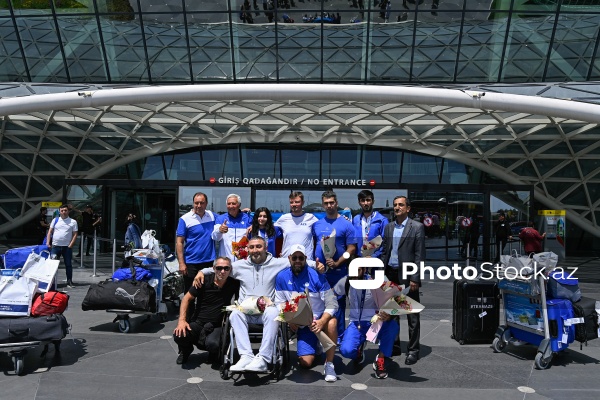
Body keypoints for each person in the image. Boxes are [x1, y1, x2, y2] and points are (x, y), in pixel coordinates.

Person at [193, 236, 324, 373]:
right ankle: (246, 356)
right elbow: (220, 268)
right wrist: (201, 271)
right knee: (235, 314)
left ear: (265, 247)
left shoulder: (277, 263)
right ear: (248, 249)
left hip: (266, 312)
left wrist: (317, 265)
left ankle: (263, 358)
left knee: (274, 312)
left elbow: (298, 260)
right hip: (247, 311)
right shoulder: (239, 265)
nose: (255, 250)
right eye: (252, 247)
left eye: (258, 247)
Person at [275, 244, 338, 382]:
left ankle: (330, 364)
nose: (298, 260)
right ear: (289, 258)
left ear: (305, 258)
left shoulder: (317, 276)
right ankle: (316, 345)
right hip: (298, 323)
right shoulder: (281, 277)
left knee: (332, 322)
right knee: (305, 363)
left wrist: (322, 321)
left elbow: (332, 303)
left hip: (317, 321)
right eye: (295, 257)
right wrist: (288, 319)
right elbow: (278, 303)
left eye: (301, 258)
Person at [380, 195, 425, 365]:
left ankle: (413, 350)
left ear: (408, 208)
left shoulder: (417, 227)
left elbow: (419, 255)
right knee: (393, 313)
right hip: (390, 275)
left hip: (407, 277)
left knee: (411, 315)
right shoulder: (389, 227)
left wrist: (415, 278)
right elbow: (385, 250)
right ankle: (396, 345)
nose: (397, 207)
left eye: (401, 205)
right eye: (395, 205)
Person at [173, 257, 239, 366]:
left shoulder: (233, 283)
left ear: (230, 269)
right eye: (219, 268)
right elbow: (186, 299)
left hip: (217, 325)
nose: (222, 271)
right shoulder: (203, 280)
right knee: (179, 335)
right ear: (213, 268)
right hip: (198, 322)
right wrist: (182, 321)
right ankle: (186, 350)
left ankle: (214, 352)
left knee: (213, 344)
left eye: (226, 268)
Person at [339, 267, 399, 379]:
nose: (355, 273)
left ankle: (380, 359)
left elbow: (397, 295)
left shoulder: (376, 280)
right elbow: (330, 294)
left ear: (364, 269)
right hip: (357, 324)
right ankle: (358, 352)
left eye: (358, 269)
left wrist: (389, 313)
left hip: (376, 322)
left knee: (392, 327)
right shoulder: (345, 281)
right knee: (346, 350)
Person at [312, 190, 357, 339]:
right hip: (320, 273)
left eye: (332, 202)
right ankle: (323, 335)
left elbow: (351, 248)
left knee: (338, 305)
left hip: (339, 273)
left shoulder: (346, 224)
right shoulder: (317, 224)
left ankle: (340, 337)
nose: (329, 205)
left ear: (336, 203)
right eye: (326, 203)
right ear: (323, 205)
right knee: (319, 304)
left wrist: (338, 262)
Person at [176, 192, 218, 300]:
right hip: (191, 263)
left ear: (206, 204)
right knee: (190, 294)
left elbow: (227, 218)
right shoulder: (185, 219)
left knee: (205, 294)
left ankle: (199, 317)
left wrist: (245, 213)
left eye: (202, 203)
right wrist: (181, 263)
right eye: (196, 203)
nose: (199, 205)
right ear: (193, 203)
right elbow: (179, 242)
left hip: (208, 262)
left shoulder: (212, 216)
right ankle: (187, 317)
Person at [274, 191, 318, 260]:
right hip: (287, 261)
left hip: (307, 261)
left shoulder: (311, 218)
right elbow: (268, 229)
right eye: (291, 202)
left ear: (303, 203)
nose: (294, 204)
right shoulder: (283, 218)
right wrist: (255, 225)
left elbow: (323, 229)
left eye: (297, 202)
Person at [212, 194, 252, 262]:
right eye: (228, 204)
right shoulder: (220, 218)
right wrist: (219, 230)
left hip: (244, 262)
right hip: (226, 262)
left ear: (239, 205)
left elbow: (263, 222)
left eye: (233, 204)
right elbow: (215, 237)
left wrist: (254, 225)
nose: (231, 206)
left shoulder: (248, 218)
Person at [46, 204, 78, 288]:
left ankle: (69, 281)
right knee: (52, 264)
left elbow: (75, 234)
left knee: (68, 264)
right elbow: (50, 231)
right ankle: (51, 282)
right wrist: (48, 242)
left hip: (66, 247)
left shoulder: (73, 222)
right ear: (59, 211)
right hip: (55, 246)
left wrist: (71, 245)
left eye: (65, 210)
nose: (64, 212)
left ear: (68, 211)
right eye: (62, 210)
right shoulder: (55, 220)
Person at [352, 190, 388, 258]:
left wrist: (374, 256)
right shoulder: (355, 220)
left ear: (373, 202)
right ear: (359, 202)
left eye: (368, 200)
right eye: (362, 200)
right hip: (359, 259)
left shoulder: (382, 220)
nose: (365, 203)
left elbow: (386, 242)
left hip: (376, 259)